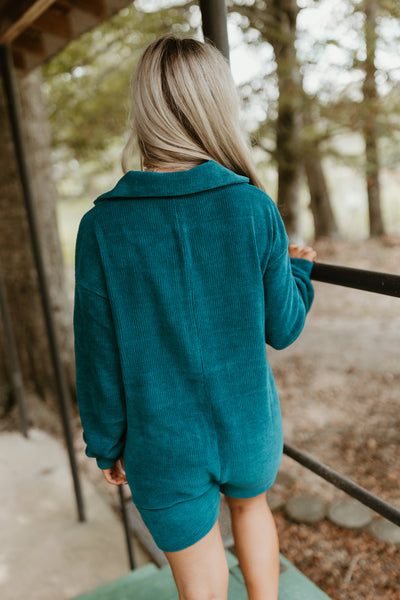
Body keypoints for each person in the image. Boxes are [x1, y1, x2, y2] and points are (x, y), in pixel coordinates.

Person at [73, 33, 316, 600]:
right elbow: (283, 327)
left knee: (201, 589)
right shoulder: (253, 207)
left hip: (161, 444)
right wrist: (299, 271)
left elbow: (97, 354)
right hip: (249, 428)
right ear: (216, 108)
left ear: (145, 112)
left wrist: (107, 443)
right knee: (251, 509)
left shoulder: (102, 228)